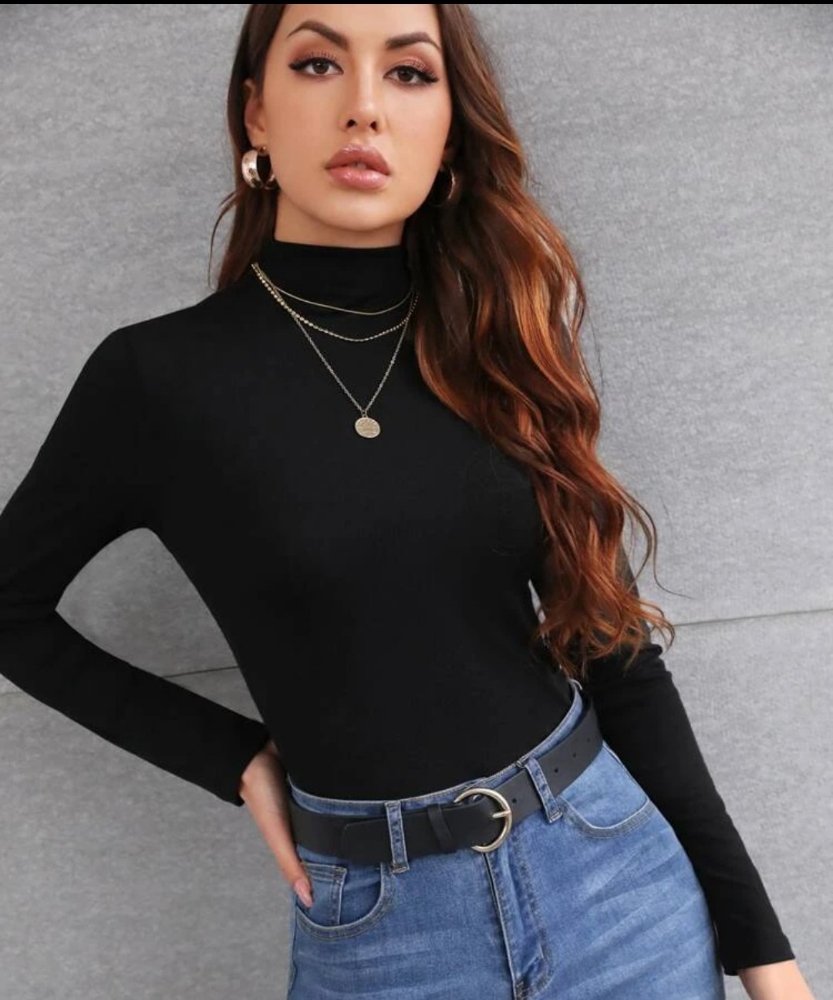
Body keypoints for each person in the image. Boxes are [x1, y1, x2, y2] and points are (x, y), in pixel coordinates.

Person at [0, 5, 816, 999]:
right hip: (381, 934)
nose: (363, 107)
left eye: (409, 74)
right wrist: (232, 756)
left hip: (617, 887)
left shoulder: (501, 340)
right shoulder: (156, 381)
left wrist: (765, 958)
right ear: (255, 113)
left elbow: (614, 653)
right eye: (317, 64)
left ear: (449, 130)